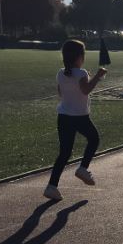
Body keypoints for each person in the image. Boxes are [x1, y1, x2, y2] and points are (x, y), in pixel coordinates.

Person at [44, 39, 106, 201]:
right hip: (79, 116)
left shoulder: (60, 73)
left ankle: (52, 186)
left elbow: (61, 93)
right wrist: (98, 76)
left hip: (63, 116)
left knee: (64, 153)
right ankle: (83, 168)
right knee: (94, 139)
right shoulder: (81, 73)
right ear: (79, 57)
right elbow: (85, 90)